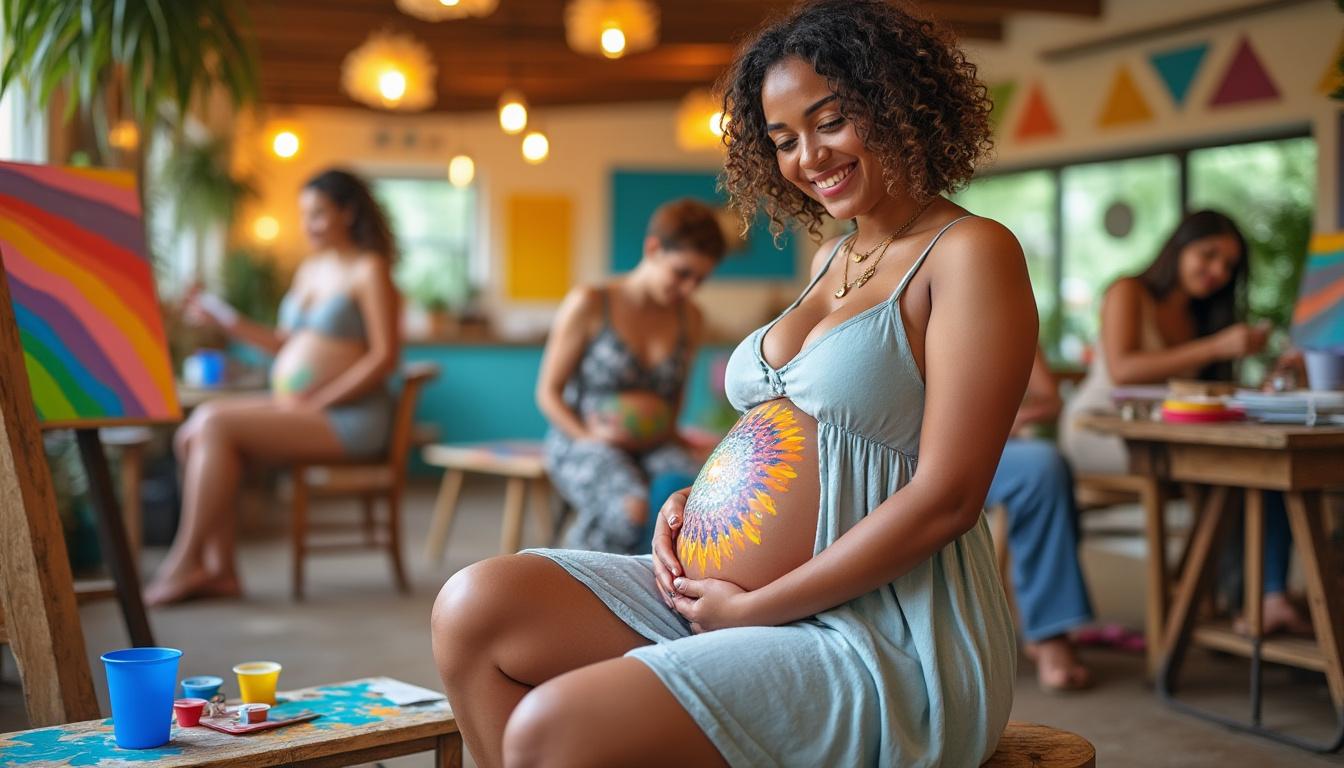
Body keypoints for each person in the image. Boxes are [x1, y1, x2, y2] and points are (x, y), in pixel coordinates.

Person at [431, 2, 1036, 765]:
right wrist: (699, 502)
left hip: (878, 629)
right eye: (783, 140)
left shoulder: (971, 252)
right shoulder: (831, 260)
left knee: (552, 729)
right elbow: (792, 422)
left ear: (894, 105)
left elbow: (948, 498)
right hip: (738, 601)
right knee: (474, 610)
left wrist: (755, 606)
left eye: (830, 121)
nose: (808, 157)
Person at [145, 169, 400, 606]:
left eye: (319, 214)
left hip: (348, 416)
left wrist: (323, 398)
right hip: (302, 407)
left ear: (349, 212)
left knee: (214, 422)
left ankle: (185, 560)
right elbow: (283, 343)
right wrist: (225, 321)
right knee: (193, 434)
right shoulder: (310, 270)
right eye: (305, 214)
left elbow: (384, 357)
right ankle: (220, 568)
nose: (309, 224)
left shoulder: (368, 269)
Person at [1059, 209, 1307, 635]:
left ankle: (1263, 597)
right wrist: (1215, 347)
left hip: (1166, 435)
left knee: (1260, 467)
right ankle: (1237, 598)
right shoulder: (1128, 291)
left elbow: (1203, 397)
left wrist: (1272, 381)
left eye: (1228, 267)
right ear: (1180, 247)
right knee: (1234, 472)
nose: (1217, 272)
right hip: (1097, 430)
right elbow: (1123, 370)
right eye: (1208, 255)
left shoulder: (1205, 315)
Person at [537, 199, 724, 554]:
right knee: (631, 507)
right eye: (682, 273)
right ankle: (577, 580)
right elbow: (548, 393)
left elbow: (676, 398)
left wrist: (693, 447)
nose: (688, 289)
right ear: (653, 248)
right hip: (581, 441)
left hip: (655, 443)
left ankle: (655, 591)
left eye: (700, 279)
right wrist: (589, 437)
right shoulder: (591, 302)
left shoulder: (692, 318)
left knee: (694, 499)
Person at [988, 347, 1094, 691]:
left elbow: (1050, 400)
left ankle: (1050, 630)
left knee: (1044, 468)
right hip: (915, 447)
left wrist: (1015, 417)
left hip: (989, 447)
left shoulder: (1007, 311)